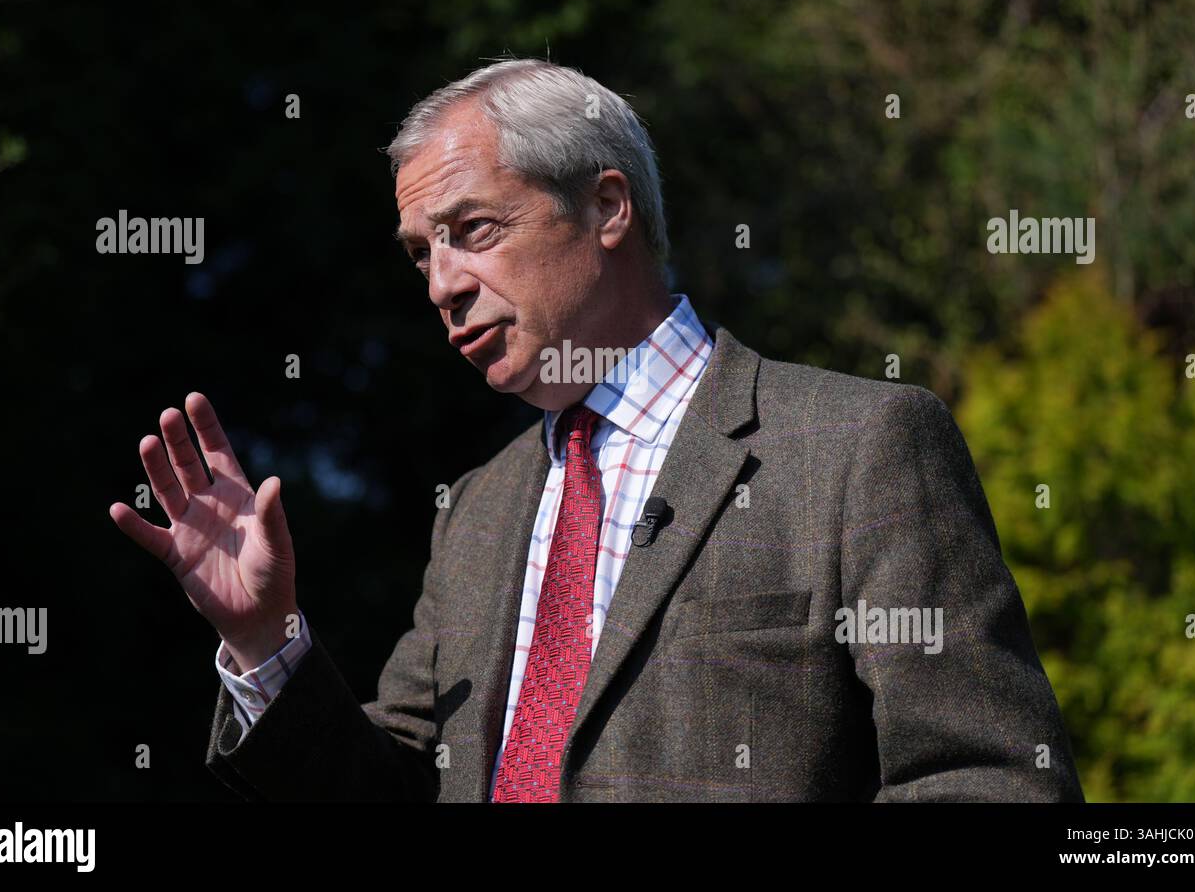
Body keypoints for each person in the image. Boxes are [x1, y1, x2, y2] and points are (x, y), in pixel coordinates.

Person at [108, 58, 1084, 802]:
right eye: (421, 253)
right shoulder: (476, 514)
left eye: (474, 229)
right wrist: (264, 640)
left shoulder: (857, 445)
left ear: (607, 206)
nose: (442, 284)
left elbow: (987, 778)